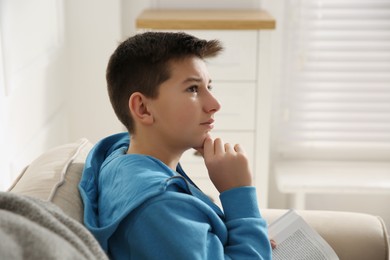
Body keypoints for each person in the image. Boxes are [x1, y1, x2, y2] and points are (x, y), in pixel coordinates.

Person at [79, 31, 272, 259]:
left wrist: (246, 236)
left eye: (209, 87)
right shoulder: (158, 207)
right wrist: (238, 192)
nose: (215, 104)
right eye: (193, 89)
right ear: (143, 108)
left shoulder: (123, 153)